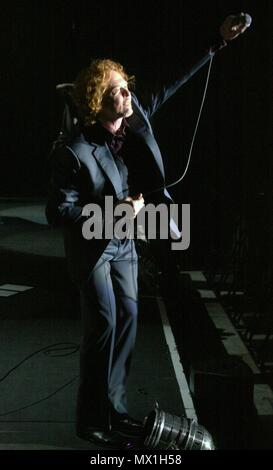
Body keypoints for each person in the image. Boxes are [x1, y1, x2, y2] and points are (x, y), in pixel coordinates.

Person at [46, 14, 250, 447]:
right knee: (103, 323)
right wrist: (113, 208)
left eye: (127, 87)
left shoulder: (134, 118)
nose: (128, 94)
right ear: (98, 100)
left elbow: (173, 80)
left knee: (131, 318)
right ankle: (91, 419)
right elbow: (58, 211)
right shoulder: (75, 149)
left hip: (124, 243)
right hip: (94, 246)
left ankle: (114, 409)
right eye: (119, 89)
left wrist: (216, 41)